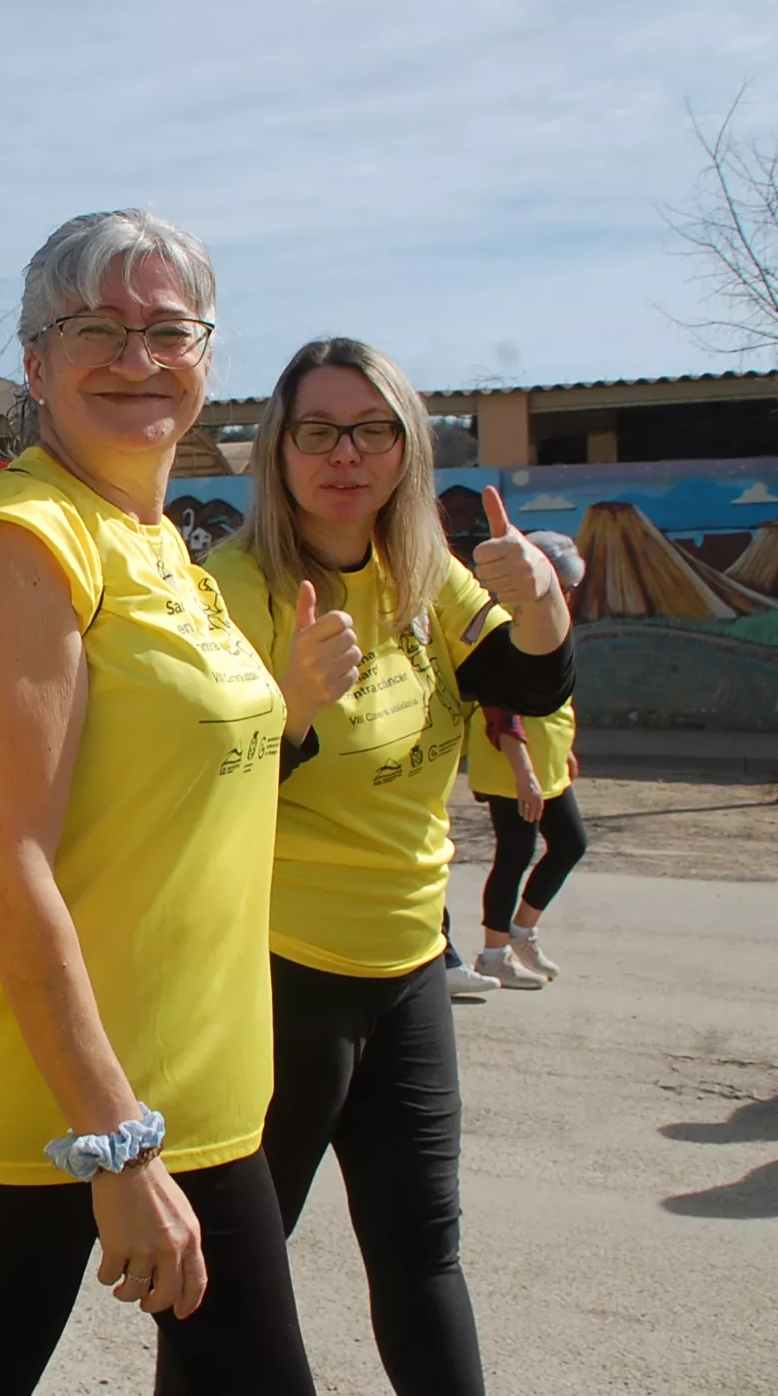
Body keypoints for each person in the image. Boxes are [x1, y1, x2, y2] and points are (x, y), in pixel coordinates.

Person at [0, 211, 321, 1396]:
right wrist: (113, 1138)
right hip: (34, 1105)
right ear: (37, 362)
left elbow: (177, 781)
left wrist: (294, 706)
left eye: (168, 329)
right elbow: (5, 864)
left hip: (192, 1090)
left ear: (208, 354)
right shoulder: (22, 547)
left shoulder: (159, 541)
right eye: (97, 329)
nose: (138, 356)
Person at [206, 337, 574, 1396]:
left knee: (424, 1260)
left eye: (372, 429)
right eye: (317, 429)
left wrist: (542, 600)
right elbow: (187, 798)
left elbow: (526, 680)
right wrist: (293, 712)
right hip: (277, 977)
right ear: (279, 451)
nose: (345, 453)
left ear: (407, 448)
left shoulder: (427, 573)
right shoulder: (235, 588)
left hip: (409, 966)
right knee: (233, 1281)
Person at [467, 530, 589, 989]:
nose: (570, 594)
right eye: (566, 584)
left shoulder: (547, 619)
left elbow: (552, 695)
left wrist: (563, 753)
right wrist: (525, 774)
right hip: (512, 763)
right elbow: (502, 708)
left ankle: (521, 930)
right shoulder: (506, 622)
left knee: (570, 844)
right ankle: (494, 953)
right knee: (514, 853)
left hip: (545, 761)